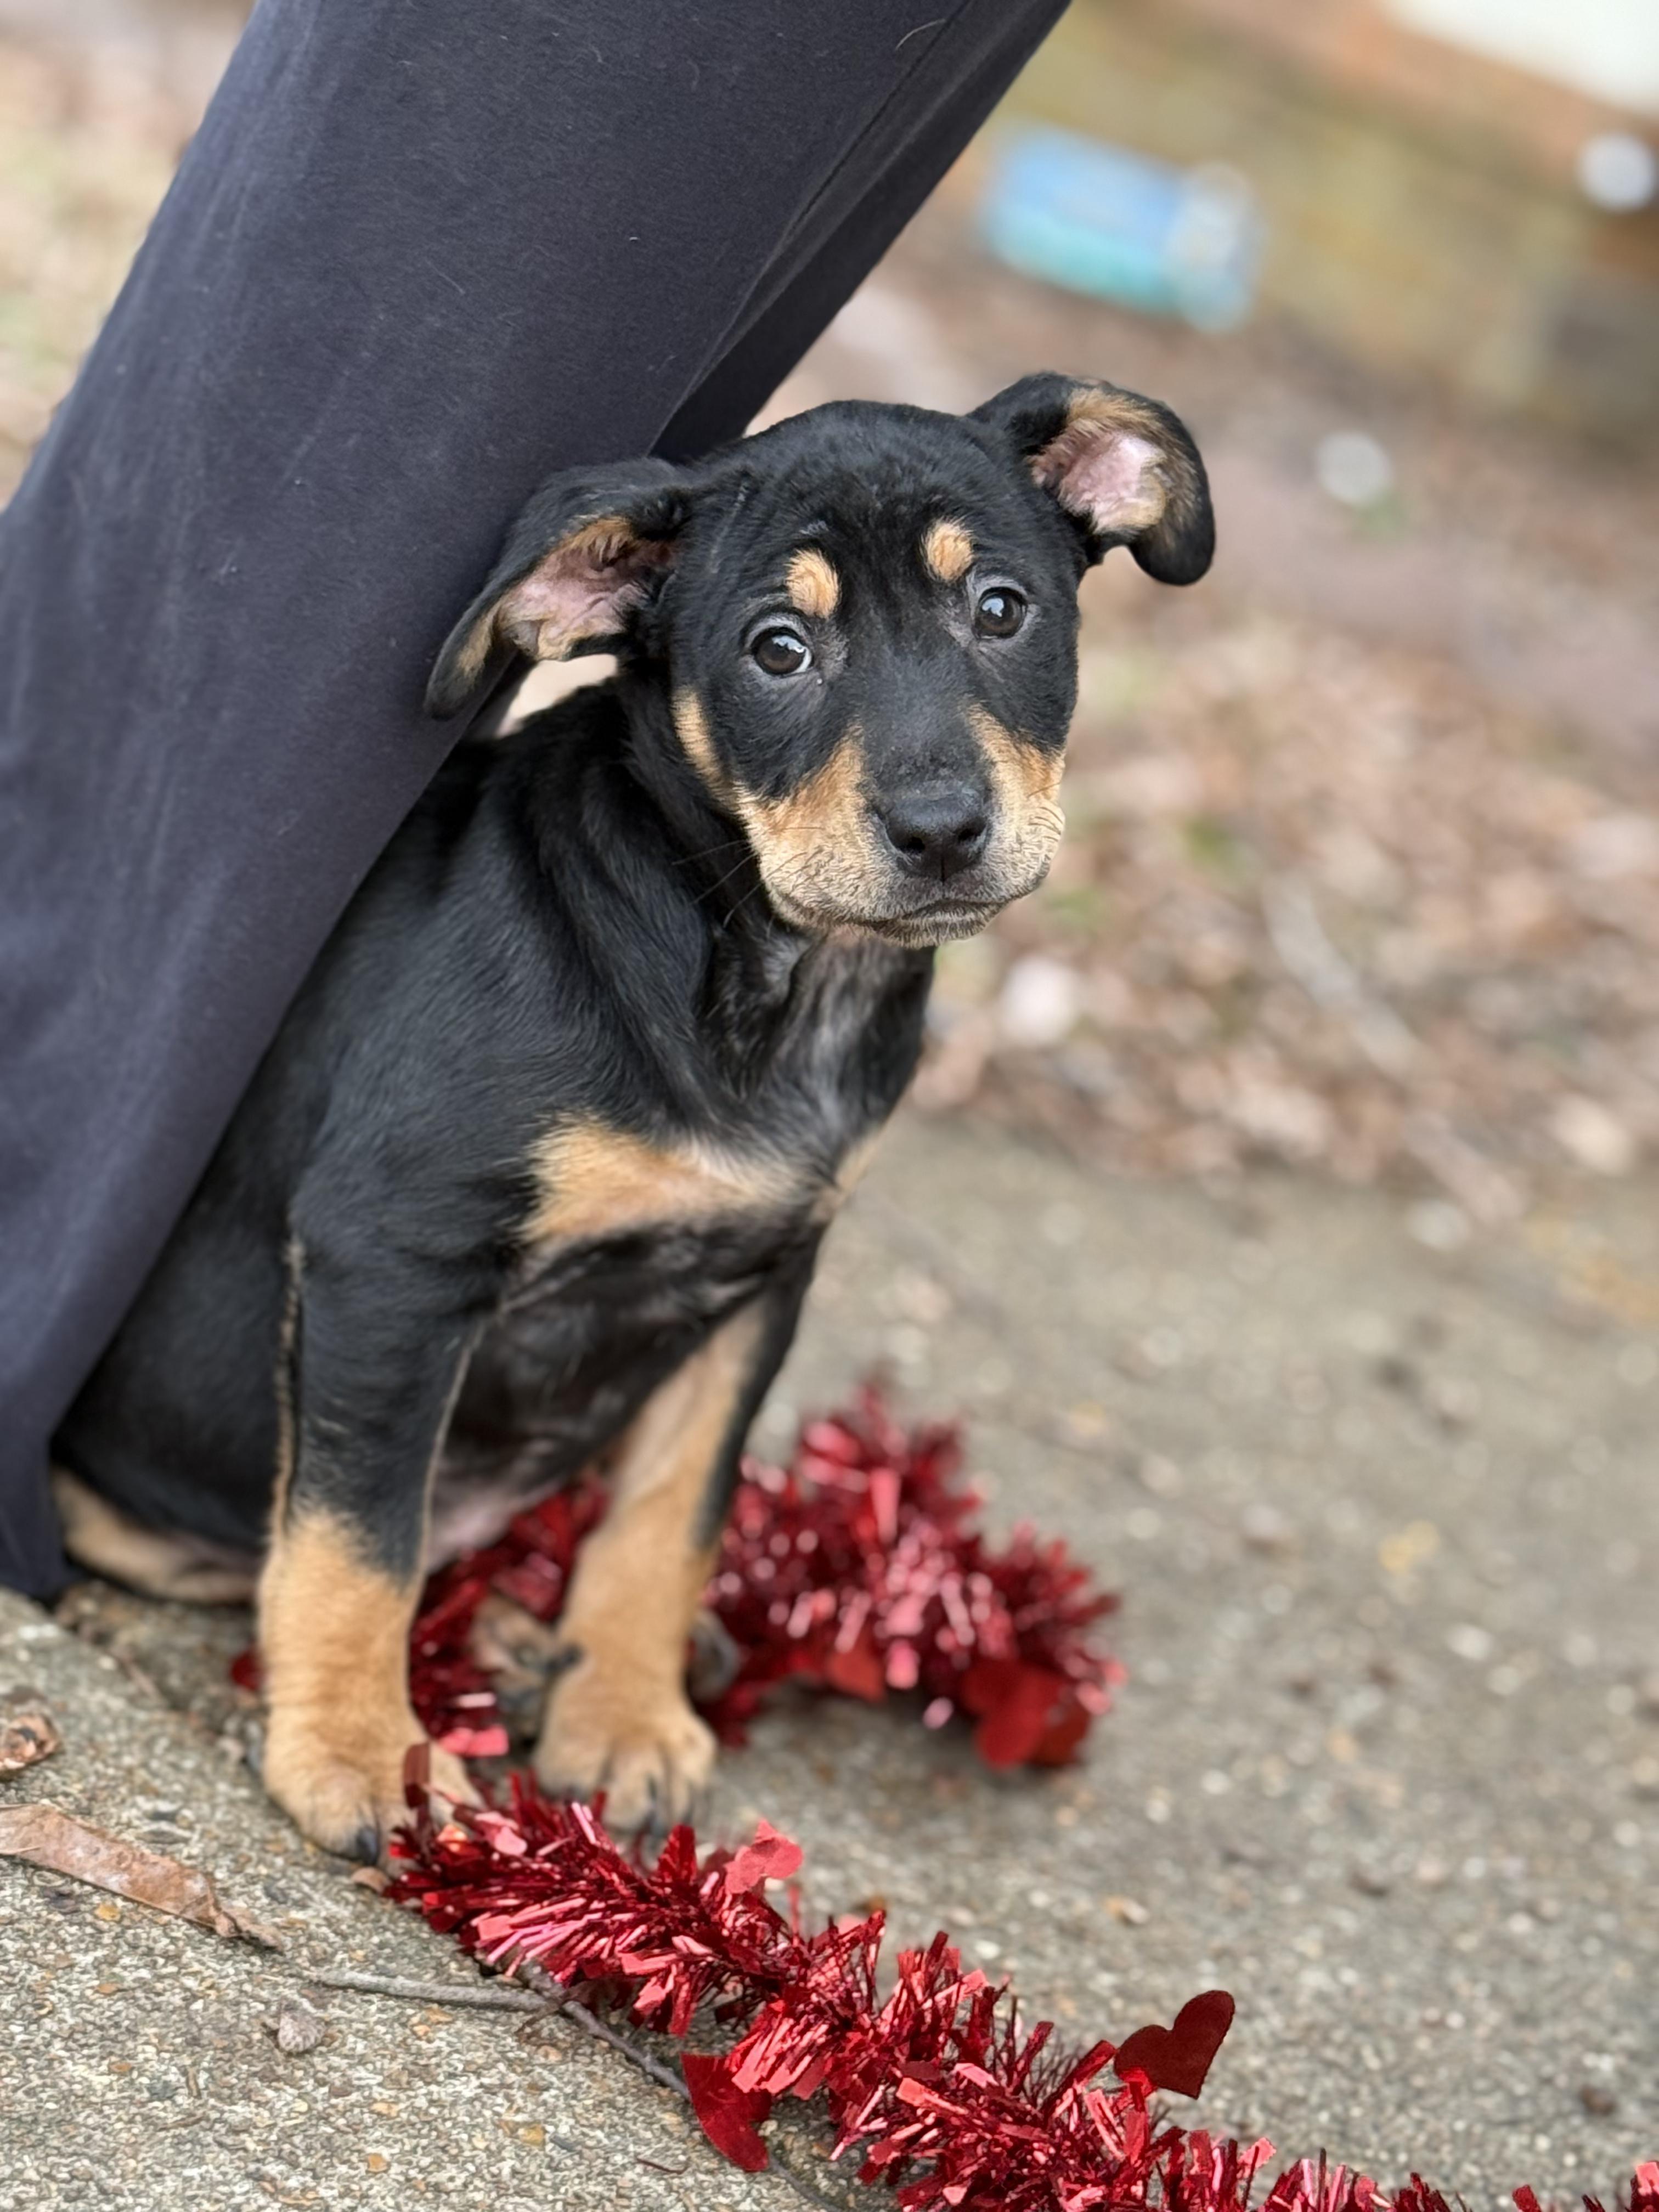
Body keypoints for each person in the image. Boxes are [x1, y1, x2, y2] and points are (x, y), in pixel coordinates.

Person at [0, 0, 1068, 1596]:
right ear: (599, 599)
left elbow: (746, 1277)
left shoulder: (866, 979)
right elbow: (384, 1254)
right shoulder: (541, 979)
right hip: (166, 1489)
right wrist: (341, 1679)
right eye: (782, 647)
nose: (932, 793)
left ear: (1095, 498)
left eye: (997, 610)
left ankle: (619, 1634)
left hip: (475, 1481)